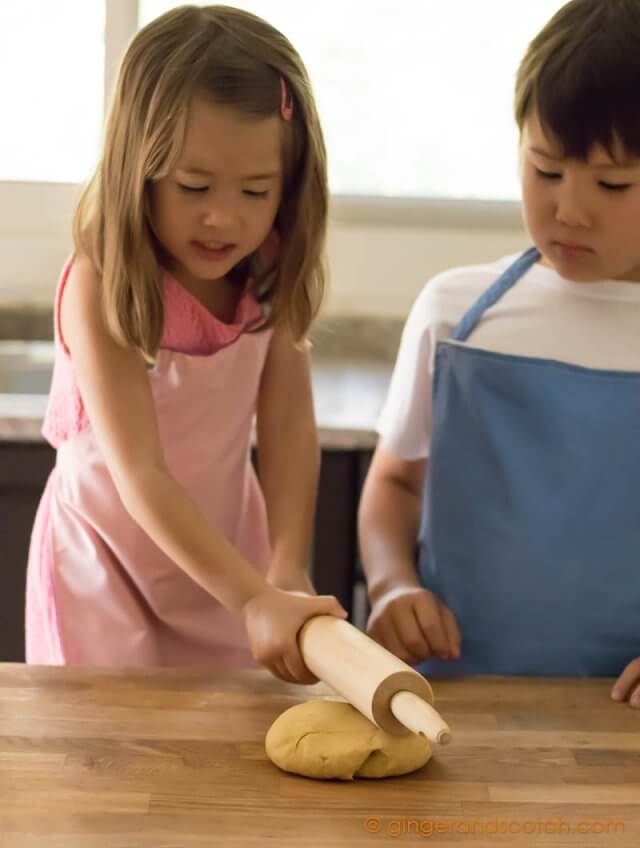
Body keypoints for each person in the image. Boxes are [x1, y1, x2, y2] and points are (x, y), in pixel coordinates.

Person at [25, 4, 346, 681]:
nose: (223, 216)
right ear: (137, 169)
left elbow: (288, 426)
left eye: (255, 191)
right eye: (193, 186)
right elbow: (140, 472)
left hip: (225, 561)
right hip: (106, 569)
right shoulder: (101, 281)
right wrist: (255, 596)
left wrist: (282, 567)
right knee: (109, 759)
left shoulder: (268, 269)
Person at [358, 0, 640, 706]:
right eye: (546, 170)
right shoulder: (455, 316)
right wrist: (394, 586)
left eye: (612, 185)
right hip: (455, 705)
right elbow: (392, 487)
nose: (569, 210)